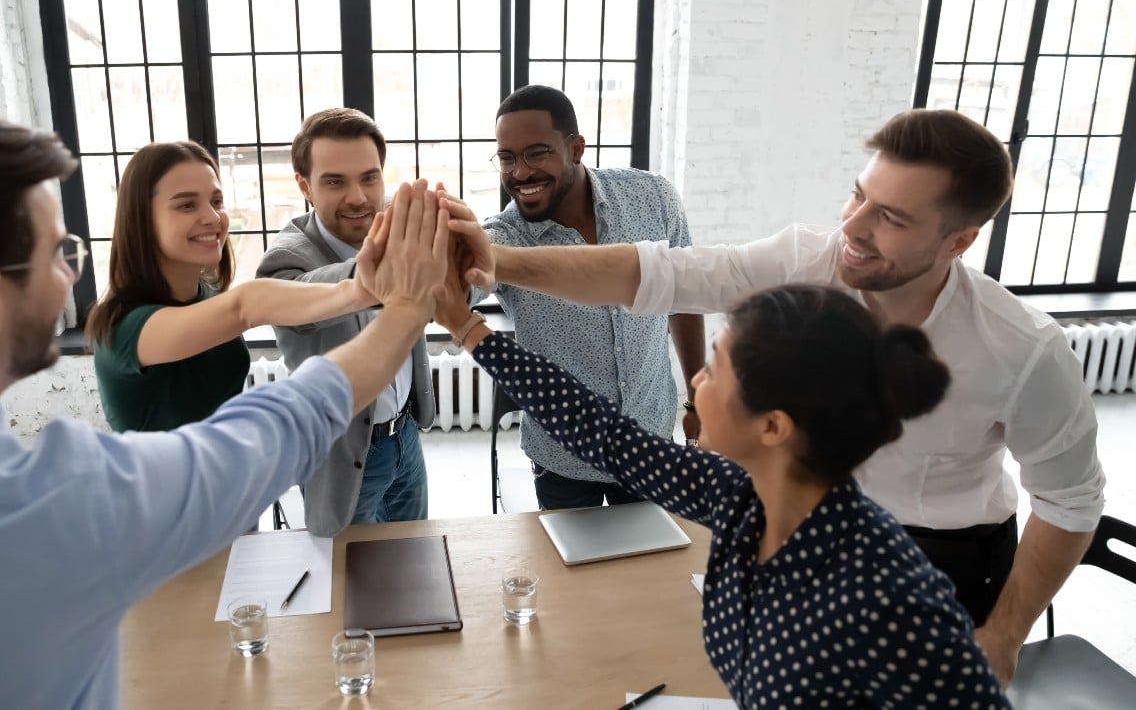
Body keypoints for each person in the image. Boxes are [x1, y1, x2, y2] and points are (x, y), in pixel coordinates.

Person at [444, 108, 1106, 685]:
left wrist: (1003, 633)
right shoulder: (739, 497)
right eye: (857, 196)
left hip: (943, 555)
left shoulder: (1024, 350)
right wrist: (485, 284)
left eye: (892, 217)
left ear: (959, 240)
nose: (853, 226)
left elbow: (1070, 498)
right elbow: (659, 286)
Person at [0, 117, 448, 709]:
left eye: (215, 200)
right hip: (177, 536)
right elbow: (266, 382)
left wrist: (366, 291)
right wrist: (404, 299)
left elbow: (243, 305)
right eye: (56, 253)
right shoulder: (61, 493)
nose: (70, 272)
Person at [432, 266, 1010, 707]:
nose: (695, 383)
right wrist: (466, 327)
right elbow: (603, 434)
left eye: (713, 369)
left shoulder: (892, 600)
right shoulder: (739, 496)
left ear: (773, 426)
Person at [480, 85, 705, 509]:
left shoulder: (653, 199)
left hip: (649, 442)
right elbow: (465, 274)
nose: (521, 172)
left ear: (576, 148)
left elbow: (684, 295)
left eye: (537, 153)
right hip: (564, 457)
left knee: (646, 569)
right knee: (572, 572)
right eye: (507, 158)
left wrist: (699, 395)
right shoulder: (505, 237)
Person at [89, 141, 377, 434]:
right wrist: (365, 287)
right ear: (142, 220)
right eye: (187, 205)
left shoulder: (207, 295)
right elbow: (247, 306)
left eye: (216, 201)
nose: (213, 217)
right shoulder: (124, 328)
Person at [257, 108, 433, 537]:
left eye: (369, 178)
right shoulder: (285, 260)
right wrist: (371, 274)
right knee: (350, 588)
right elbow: (305, 299)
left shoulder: (396, 223)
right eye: (335, 181)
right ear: (305, 186)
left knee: (413, 566)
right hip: (343, 456)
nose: (358, 197)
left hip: (405, 437)